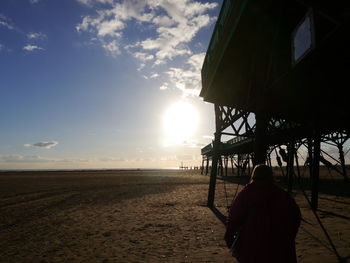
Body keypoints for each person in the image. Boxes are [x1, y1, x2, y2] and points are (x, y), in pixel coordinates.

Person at [224, 164, 301, 263]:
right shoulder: (282, 194)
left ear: (253, 176)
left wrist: (229, 239)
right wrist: (288, 237)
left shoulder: (246, 194)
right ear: (270, 176)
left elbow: (233, 219)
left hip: (252, 246)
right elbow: (295, 217)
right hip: (280, 247)